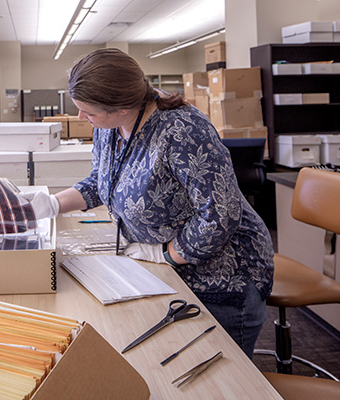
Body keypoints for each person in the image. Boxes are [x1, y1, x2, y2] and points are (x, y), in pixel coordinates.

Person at [22, 48, 274, 358]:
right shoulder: (110, 128)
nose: (80, 118)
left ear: (122, 106)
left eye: (88, 111)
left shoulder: (183, 131)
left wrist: (165, 253)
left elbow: (220, 215)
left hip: (222, 278)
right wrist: (50, 204)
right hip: (168, 273)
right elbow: (105, 181)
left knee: (217, 379)